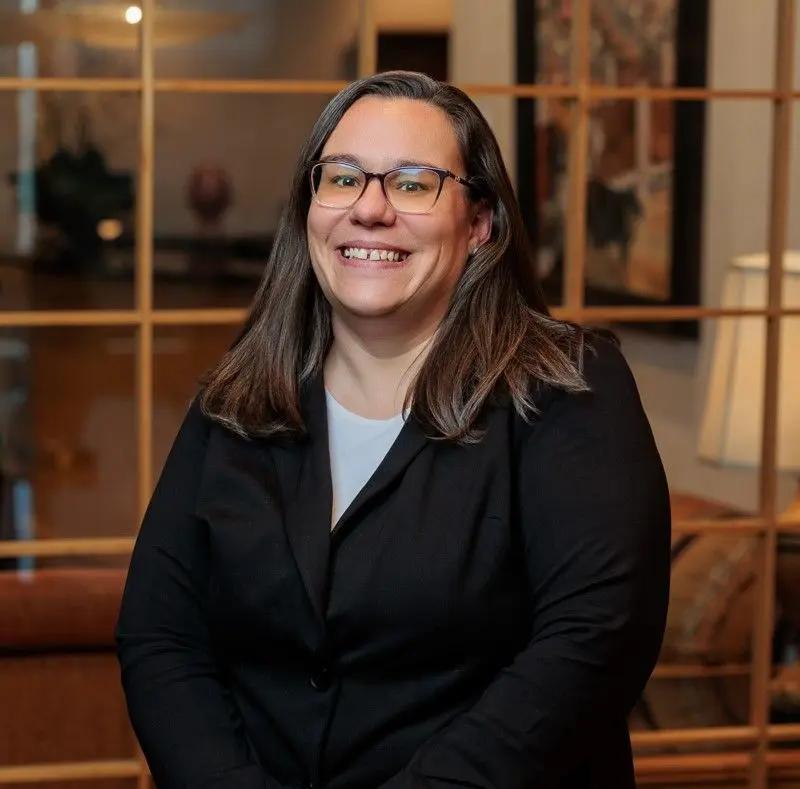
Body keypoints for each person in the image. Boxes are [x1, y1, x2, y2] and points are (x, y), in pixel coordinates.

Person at [115, 70, 671, 789]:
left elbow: (595, 643)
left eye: (412, 184)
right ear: (310, 208)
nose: (369, 210)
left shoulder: (567, 389)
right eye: (342, 178)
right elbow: (161, 636)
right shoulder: (237, 400)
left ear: (481, 224)